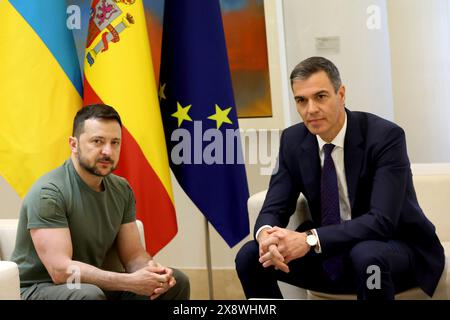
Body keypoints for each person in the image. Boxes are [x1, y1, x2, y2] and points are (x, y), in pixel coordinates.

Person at [235, 57, 445, 300]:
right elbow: (275, 205)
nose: (310, 109)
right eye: (301, 100)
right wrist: (266, 237)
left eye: (320, 97)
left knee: (368, 258)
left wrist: (309, 239)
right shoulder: (293, 141)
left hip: (391, 251)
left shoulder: (385, 137)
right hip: (330, 253)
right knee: (251, 257)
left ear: (341, 94)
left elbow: (382, 221)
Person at [11, 104, 190, 300]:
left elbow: (133, 256)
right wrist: (129, 282)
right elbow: (60, 271)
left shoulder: (122, 189)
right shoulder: (48, 193)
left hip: (93, 287)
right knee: (87, 295)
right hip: (39, 288)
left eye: (115, 143)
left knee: (177, 282)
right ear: (74, 144)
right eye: (98, 141)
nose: (108, 151)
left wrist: (152, 273)